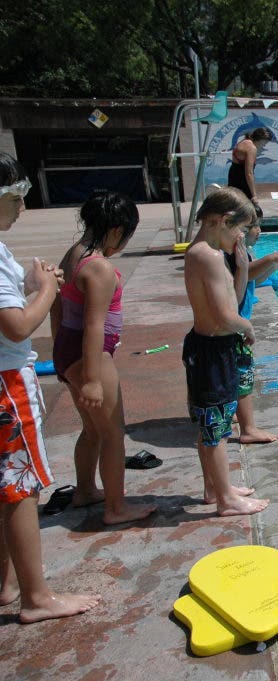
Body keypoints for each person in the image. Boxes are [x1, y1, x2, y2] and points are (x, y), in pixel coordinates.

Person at [0, 152, 99, 622]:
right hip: (7, 387)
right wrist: (47, 292)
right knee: (21, 488)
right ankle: (36, 598)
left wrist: (34, 282)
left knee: (6, 485)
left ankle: (7, 582)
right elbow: (18, 326)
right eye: (16, 196)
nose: (23, 207)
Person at [50, 191, 157, 525]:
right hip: (90, 355)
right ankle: (116, 508)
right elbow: (94, 324)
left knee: (92, 429)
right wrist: (94, 378)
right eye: (126, 235)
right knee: (113, 433)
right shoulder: (99, 267)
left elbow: (58, 307)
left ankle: (85, 491)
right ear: (116, 230)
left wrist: (60, 359)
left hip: (69, 351)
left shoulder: (74, 254)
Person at [183, 187, 267, 516]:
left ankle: (214, 487)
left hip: (208, 347)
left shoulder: (201, 251)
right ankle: (226, 500)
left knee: (210, 426)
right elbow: (224, 314)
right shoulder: (208, 255)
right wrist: (247, 328)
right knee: (217, 430)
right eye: (240, 230)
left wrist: (243, 266)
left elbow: (228, 298)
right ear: (223, 220)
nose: (241, 237)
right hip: (213, 350)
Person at [225, 206, 278, 444]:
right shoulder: (237, 251)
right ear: (244, 228)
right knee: (243, 373)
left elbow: (256, 277)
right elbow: (242, 274)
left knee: (230, 370)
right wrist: (271, 258)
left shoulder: (245, 250)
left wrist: (276, 264)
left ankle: (231, 413)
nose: (260, 230)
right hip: (235, 323)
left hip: (235, 320)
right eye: (257, 226)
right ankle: (248, 428)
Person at [227, 127, 272, 204]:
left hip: (233, 178)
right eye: (265, 143)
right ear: (260, 139)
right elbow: (249, 173)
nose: (264, 145)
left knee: (233, 205)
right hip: (242, 182)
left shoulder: (243, 142)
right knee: (248, 208)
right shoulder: (251, 148)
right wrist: (254, 195)